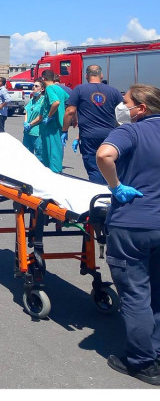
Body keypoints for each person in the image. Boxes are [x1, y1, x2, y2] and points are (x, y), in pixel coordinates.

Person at [95, 84, 160, 386]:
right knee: (157, 294)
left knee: (135, 295)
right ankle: (155, 350)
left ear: (141, 109)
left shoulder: (131, 132)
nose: (122, 107)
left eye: (126, 103)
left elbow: (104, 155)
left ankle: (142, 362)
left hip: (132, 225)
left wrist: (115, 187)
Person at [62, 64, 123, 184]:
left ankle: (98, 194)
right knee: (110, 165)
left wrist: (64, 131)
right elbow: (122, 113)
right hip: (110, 135)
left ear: (86, 76)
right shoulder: (114, 91)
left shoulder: (79, 89)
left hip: (89, 136)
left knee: (94, 168)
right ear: (101, 75)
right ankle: (112, 190)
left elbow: (70, 111)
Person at [38, 69, 69, 173]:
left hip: (52, 125)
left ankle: (54, 174)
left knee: (53, 151)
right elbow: (68, 99)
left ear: (43, 78)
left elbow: (56, 102)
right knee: (55, 150)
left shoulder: (50, 88)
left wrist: (50, 116)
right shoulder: (59, 88)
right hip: (59, 124)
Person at [22, 80, 44, 159]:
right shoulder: (32, 100)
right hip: (27, 130)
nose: (34, 87)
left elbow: (41, 116)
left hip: (36, 130)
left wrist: (31, 124)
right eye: (33, 86)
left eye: (37, 86)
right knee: (27, 152)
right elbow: (27, 111)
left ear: (42, 89)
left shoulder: (43, 101)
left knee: (39, 152)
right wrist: (25, 122)